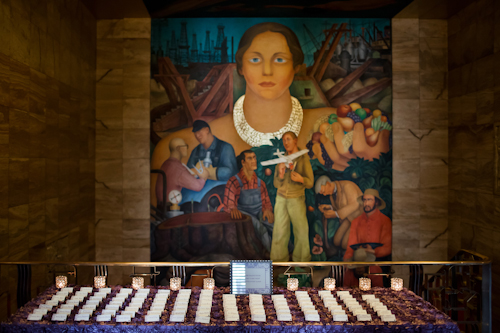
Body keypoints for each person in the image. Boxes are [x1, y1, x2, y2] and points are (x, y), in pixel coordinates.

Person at [150, 22, 390, 206]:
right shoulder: (178, 146)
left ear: (296, 67)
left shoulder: (333, 123)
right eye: (255, 59)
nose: (266, 70)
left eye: (279, 59)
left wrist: (373, 155)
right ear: (241, 67)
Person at [271, 131, 314, 262]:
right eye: (284, 140)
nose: (286, 143)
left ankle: (302, 262)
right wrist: (281, 174)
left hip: (296, 198)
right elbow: (276, 183)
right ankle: (278, 262)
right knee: (279, 231)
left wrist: (301, 179)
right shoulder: (281, 160)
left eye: (288, 139)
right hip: (281, 198)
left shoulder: (303, 158)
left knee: (301, 231)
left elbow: (310, 182)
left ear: (295, 140)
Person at [223, 150, 274, 251]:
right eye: (250, 158)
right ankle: (271, 256)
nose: (254, 160)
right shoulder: (234, 182)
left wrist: (267, 209)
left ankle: (284, 254)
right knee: (261, 228)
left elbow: (266, 202)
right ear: (243, 162)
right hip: (244, 213)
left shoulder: (260, 183)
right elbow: (229, 204)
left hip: (259, 211)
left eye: (254, 157)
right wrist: (232, 209)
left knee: (272, 225)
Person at [315, 176, 363, 250]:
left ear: (328, 184)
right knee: (336, 241)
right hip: (349, 219)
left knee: (344, 245)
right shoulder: (332, 194)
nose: (324, 194)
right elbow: (340, 206)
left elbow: (354, 205)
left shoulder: (347, 186)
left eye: (324, 191)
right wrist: (329, 207)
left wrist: (336, 214)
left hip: (359, 219)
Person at [343, 189, 392, 261]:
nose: (366, 203)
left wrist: (372, 251)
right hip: (358, 262)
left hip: (379, 262)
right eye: (364, 200)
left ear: (376, 202)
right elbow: (350, 248)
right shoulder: (355, 222)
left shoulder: (385, 221)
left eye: (369, 200)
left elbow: (388, 247)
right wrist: (347, 261)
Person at [155, 138, 206, 205]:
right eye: (185, 146)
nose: (186, 148)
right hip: (170, 208)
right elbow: (198, 186)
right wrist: (204, 177)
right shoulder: (178, 168)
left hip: (160, 207)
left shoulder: (166, 163)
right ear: (178, 148)